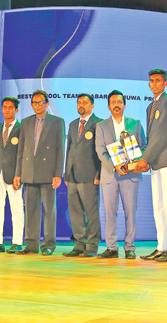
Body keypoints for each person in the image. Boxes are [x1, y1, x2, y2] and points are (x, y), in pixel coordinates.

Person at [95, 90, 146, 259]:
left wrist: (138, 162)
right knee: (110, 212)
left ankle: (130, 247)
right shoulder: (101, 126)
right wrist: (114, 165)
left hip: (131, 175)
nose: (116, 104)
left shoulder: (135, 123)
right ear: (109, 106)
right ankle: (111, 247)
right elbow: (100, 150)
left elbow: (143, 146)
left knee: (130, 211)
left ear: (124, 104)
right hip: (110, 174)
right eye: (113, 102)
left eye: (119, 102)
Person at [136, 69, 167, 262]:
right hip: (155, 163)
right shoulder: (150, 106)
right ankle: (161, 246)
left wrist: (145, 158)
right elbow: (151, 137)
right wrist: (147, 159)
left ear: (165, 84)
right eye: (151, 81)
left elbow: (162, 134)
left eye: (158, 81)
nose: (154, 84)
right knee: (158, 207)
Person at [14, 90, 65, 255]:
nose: (37, 106)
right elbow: (21, 150)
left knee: (50, 211)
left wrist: (58, 173)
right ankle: (31, 245)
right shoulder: (25, 122)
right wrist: (18, 174)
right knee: (30, 210)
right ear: (31, 105)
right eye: (34, 103)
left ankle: (48, 245)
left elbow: (60, 149)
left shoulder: (57, 122)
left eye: (40, 102)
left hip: (48, 173)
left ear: (47, 104)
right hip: (29, 173)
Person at [62, 94, 102, 257]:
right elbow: (69, 149)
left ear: (92, 106)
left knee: (91, 211)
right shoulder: (72, 124)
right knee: (75, 211)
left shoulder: (99, 123)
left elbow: (101, 151)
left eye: (85, 102)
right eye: (79, 102)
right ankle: (79, 243)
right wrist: (66, 173)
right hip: (72, 176)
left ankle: (92, 245)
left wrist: (99, 173)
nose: (81, 105)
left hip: (90, 174)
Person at [0, 96, 24, 253]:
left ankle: (17, 242)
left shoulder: (22, 129)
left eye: (10, 107)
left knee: (16, 208)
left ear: (16, 110)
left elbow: (22, 154)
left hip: (13, 174)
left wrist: (19, 174)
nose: (7, 110)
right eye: (4, 107)